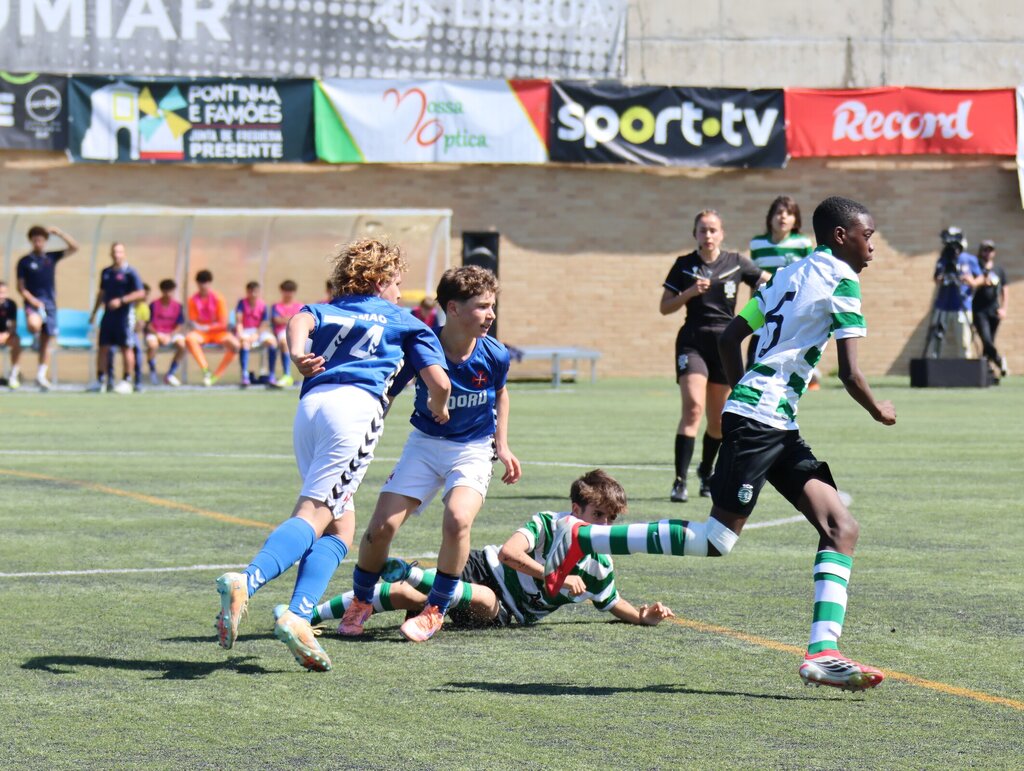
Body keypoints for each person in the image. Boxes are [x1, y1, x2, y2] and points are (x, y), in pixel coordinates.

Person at [545, 196, 897, 692]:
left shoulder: (786, 275)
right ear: (842, 236)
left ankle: (822, 651)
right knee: (717, 540)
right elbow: (852, 373)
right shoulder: (843, 280)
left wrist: (742, 394)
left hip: (771, 420)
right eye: (868, 236)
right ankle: (585, 538)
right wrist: (879, 408)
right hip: (762, 421)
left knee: (842, 527)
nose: (873, 247)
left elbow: (732, 338)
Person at [213, 237, 451, 672]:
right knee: (315, 512)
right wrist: (439, 406)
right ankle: (247, 580)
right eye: (397, 283)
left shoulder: (330, 307)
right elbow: (440, 382)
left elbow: (299, 320)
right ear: (380, 281)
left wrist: (297, 355)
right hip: (354, 412)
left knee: (341, 525)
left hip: (311, 408)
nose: (401, 293)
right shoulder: (406, 321)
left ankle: (298, 616)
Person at [339, 265, 521, 643]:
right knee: (380, 528)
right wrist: (362, 430)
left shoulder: (495, 354)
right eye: (482, 306)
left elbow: (501, 394)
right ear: (452, 308)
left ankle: (435, 609)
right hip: (424, 445)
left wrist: (502, 445)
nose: (491, 314)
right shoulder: (421, 346)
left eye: (492, 306)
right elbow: (388, 393)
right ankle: (361, 601)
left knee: (457, 519)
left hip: (472, 450)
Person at [314, 470, 673, 631]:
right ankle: (310, 616)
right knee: (405, 595)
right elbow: (508, 554)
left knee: (483, 599)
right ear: (575, 509)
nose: (605, 527)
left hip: (504, 610)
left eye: (611, 519)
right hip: (481, 566)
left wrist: (643, 616)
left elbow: (612, 601)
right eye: (598, 516)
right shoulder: (548, 523)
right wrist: (556, 577)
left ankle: (412, 572)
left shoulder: (599, 563)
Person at [660, 209, 767, 503]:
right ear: (695, 234)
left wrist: (760, 305)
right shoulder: (684, 265)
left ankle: (706, 471)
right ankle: (680, 481)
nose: (707, 235)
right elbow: (665, 307)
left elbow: (767, 281)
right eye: (702, 230)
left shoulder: (736, 262)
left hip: (725, 343)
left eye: (712, 230)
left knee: (719, 421)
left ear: (722, 234)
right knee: (693, 408)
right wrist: (689, 292)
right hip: (692, 341)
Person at [748, 196, 820, 388]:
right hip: (764, 305)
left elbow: (808, 277)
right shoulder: (757, 244)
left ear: (796, 220)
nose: (783, 217)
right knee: (755, 356)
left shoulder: (802, 243)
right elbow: (753, 279)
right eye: (779, 212)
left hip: (790, 308)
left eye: (789, 213)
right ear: (770, 217)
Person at [15, 224, 79, 391]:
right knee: (34, 325)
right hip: (33, 303)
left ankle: (41, 375)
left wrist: (59, 233)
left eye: (41, 240)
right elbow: (20, 287)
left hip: (50, 305)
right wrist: (33, 300)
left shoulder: (51, 257)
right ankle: (34, 337)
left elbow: (74, 248)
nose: (38, 243)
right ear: (31, 241)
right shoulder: (24, 261)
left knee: (46, 341)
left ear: (45, 241)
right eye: (35, 240)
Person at [86, 243, 145, 394]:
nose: (116, 255)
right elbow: (102, 293)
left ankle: (127, 380)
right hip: (108, 315)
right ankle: (101, 380)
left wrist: (122, 301)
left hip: (124, 316)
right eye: (114, 252)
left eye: (119, 252)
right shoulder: (106, 272)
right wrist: (94, 313)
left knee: (126, 347)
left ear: (124, 254)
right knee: (103, 347)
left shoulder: (131, 272)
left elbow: (140, 293)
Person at [923, 227, 983, 359]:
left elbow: (981, 278)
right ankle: (934, 365)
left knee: (964, 342)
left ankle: (966, 366)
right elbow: (936, 278)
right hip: (943, 305)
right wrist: (942, 278)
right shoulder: (943, 259)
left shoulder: (969, 259)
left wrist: (971, 281)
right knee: (936, 340)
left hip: (962, 306)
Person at [184, 270, 240, 386]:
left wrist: (207, 328)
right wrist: (200, 327)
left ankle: (216, 375)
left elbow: (223, 323)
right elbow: (194, 322)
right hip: (201, 333)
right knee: (189, 338)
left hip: (218, 333)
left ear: (210, 283)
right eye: (201, 282)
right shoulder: (192, 300)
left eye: (205, 282)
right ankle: (206, 370)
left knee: (235, 345)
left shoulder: (218, 298)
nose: (203, 285)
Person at [972, 240, 1009, 379]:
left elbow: (1005, 290)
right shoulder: (976, 268)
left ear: (994, 252)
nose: (988, 253)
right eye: (985, 250)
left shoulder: (999, 270)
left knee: (989, 343)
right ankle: (999, 361)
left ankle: (988, 373)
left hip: (994, 310)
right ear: (980, 251)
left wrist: (1003, 308)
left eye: (990, 250)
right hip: (979, 310)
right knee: (986, 339)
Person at [234, 281, 277, 388]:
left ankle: (271, 374)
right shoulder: (241, 303)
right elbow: (239, 321)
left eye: (255, 292)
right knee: (244, 343)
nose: (253, 294)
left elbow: (264, 323)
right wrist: (240, 334)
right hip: (246, 330)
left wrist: (257, 335)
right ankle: (244, 375)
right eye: (250, 292)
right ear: (247, 292)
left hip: (259, 331)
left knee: (272, 342)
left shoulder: (263, 305)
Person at [145, 279, 187, 386]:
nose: (168, 294)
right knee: (152, 345)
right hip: (155, 333)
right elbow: (148, 325)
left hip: (171, 333)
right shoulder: (154, 305)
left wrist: (170, 335)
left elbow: (179, 325)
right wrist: (158, 335)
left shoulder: (178, 306)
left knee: (182, 345)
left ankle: (170, 374)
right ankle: (153, 373)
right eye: (166, 291)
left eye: (170, 291)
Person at [270, 279, 303, 387]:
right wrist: (292, 319)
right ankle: (287, 375)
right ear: (282, 291)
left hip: (298, 332)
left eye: (290, 291)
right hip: (282, 332)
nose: (288, 293)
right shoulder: (276, 306)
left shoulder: (300, 306)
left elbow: (301, 320)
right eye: (286, 290)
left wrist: (286, 319)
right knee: (284, 342)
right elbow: (277, 320)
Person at [0, 281, 23, 389]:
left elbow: (12, 326)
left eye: (3, 293)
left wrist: (5, 335)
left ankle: (13, 375)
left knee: (16, 341)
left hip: (6, 336)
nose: (1, 296)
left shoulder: (11, 305)